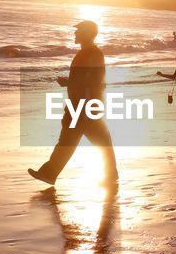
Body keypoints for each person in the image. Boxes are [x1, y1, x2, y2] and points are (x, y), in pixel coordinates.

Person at [28, 20, 118, 186]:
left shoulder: (91, 53)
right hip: (83, 103)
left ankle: (50, 173)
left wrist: (70, 84)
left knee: (77, 139)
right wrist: (70, 82)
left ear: (88, 33)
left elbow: (92, 80)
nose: (75, 33)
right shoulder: (87, 52)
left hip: (84, 104)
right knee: (84, 139)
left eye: (79, 31)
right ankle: (50, 173)